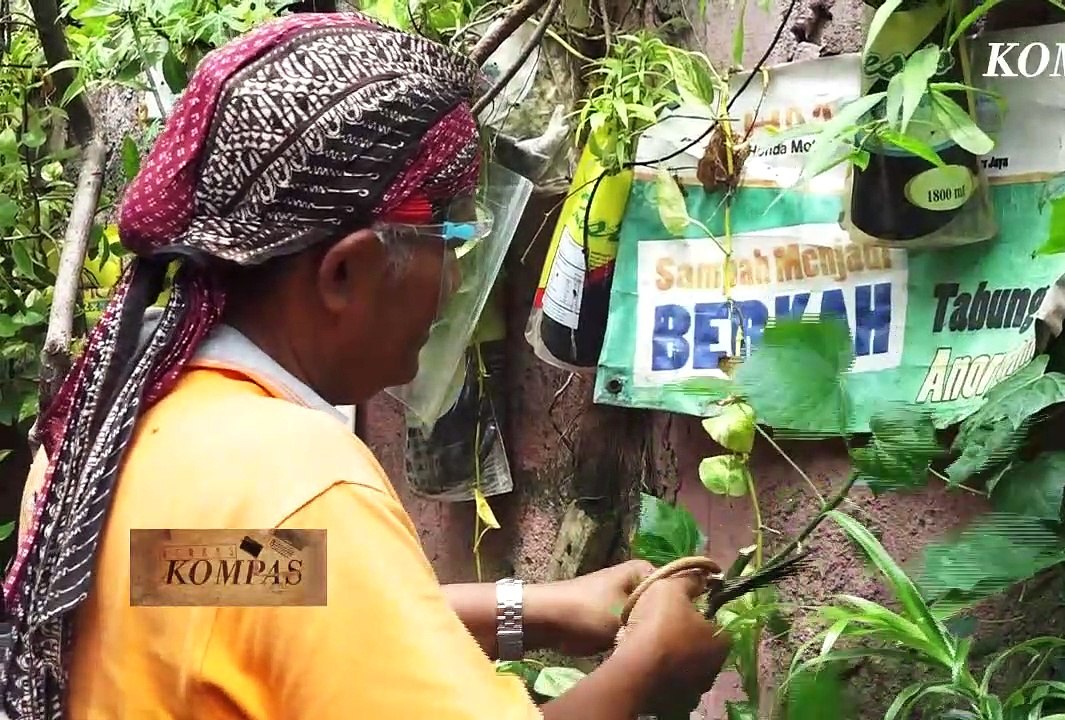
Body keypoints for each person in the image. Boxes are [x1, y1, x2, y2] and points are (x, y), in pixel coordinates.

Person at [1, 12, 729, 720]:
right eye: (451, 234)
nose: (453, 281)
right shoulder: (296, 478)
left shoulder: (113, 429)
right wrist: (646, 672)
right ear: (345, 273)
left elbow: (219, 581)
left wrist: (535, 610)